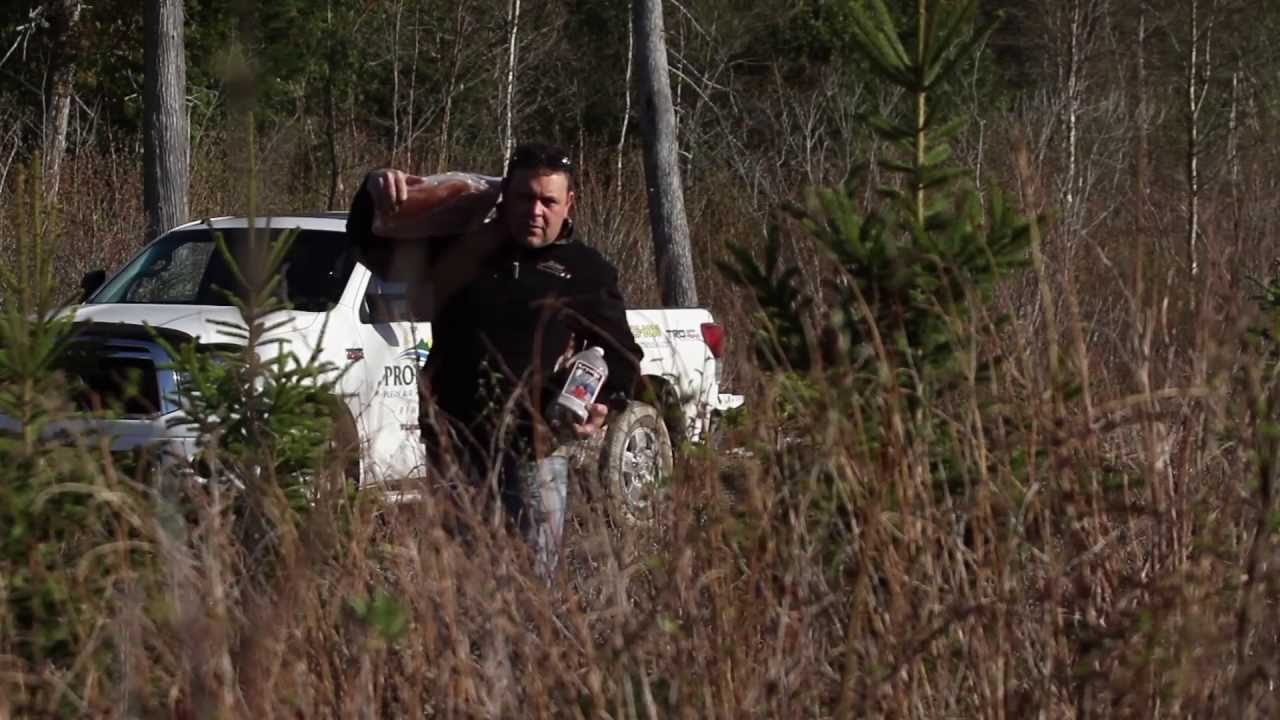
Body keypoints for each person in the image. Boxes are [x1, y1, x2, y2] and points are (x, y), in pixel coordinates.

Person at [346, 142, 643, 578]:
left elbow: (622, 357)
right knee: (461, 582)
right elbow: (369, 245)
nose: (535, 211)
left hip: (534, 452)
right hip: (455, 447)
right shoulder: (461, 251)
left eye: (548, 201)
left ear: (569, 204)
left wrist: (604, 405)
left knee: (532, 584)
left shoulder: (584, 271)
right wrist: (372, 187)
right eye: (524, 197)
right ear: (505, 195)